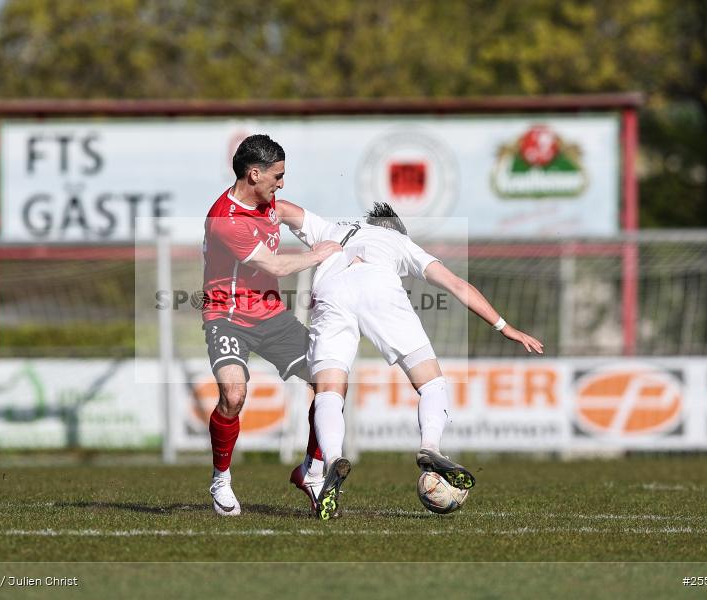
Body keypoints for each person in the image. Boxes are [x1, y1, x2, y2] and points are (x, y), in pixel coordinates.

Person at [275, 201, 544, 520]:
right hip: (379, 289)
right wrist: (505, 327)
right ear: (397, 228)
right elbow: (457, 285)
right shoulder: (401, 241)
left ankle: (333, 460)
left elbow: (281, 208)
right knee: (431, 382)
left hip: (330, 293)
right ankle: (430, 446)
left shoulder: (334, 228)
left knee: (329, 392)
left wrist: (249, 217)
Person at [201, 134, 341, 516]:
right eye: (277, 176)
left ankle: (311, 472)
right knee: (234, 395)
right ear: (254, 174)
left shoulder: (272, 204)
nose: (282, 183)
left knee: (330, 383)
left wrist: (351, 240)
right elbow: (276, 265)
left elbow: (318, 226)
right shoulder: (225, 220)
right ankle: (221, 478)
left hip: (272, 316)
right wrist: (319, 254)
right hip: (227, 316)